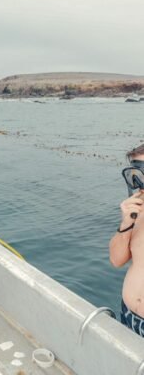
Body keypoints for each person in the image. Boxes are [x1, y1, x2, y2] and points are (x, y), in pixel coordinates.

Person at [109, 144, 144, 337]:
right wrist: (127, 221)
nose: (139, 183)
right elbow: (116, 260)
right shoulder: (137, 210)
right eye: (135, 173)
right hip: (129, 315)